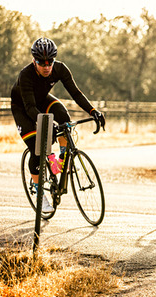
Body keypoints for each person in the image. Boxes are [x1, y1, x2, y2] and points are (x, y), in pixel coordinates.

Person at [11, 37, 106, 214]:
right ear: (34, 61)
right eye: (42, 63)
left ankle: (60, 161)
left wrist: (93, 111)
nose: (47, 67)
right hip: (23, 108)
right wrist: (49, 124)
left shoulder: (60, 69)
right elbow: (30, 108)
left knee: (64, 117)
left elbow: (76, 94)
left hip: (41, 101)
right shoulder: (26, 75)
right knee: (37, 147)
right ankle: (40, 193)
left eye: (50, 62)